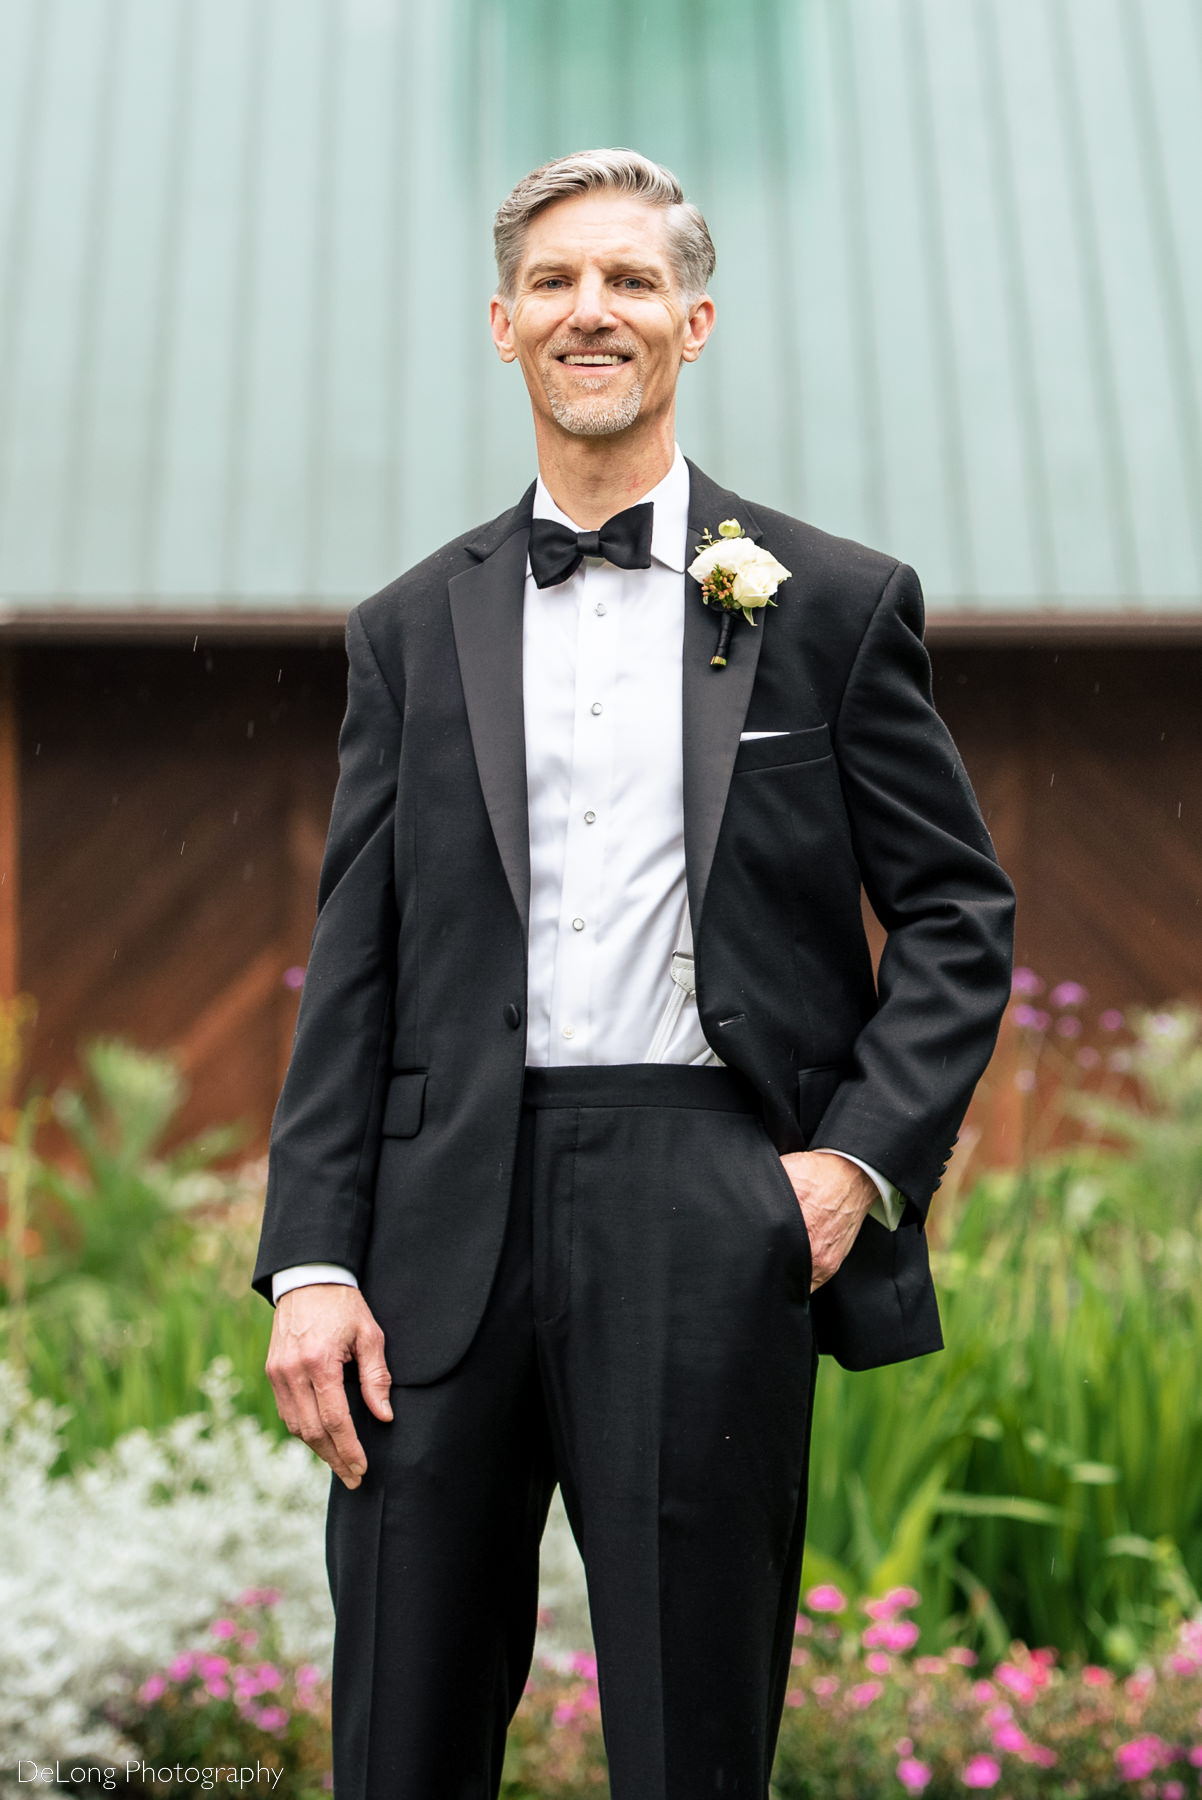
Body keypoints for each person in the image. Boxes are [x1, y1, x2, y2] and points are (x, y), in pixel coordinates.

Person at [252, 148, 1015, 1800]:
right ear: (501, 325)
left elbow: (957, 912)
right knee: (396, 1725)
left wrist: (852, 1167)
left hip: (708, 1199)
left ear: (694, 319)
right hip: (434, 1225)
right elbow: (358, 954)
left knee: (686, 1733)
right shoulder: (404, 627)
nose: (589, 310)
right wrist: (309, 1256)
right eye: (553, 282)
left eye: (628, 281)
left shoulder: (830, 603)